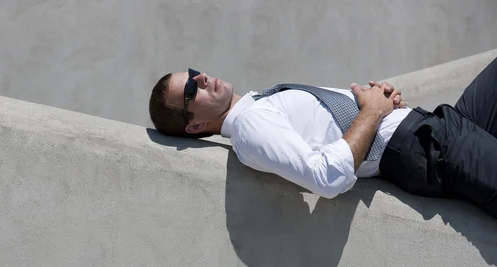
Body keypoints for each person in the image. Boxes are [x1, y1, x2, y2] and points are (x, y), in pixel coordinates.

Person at [148, 58, 497, 218]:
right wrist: (373, 112)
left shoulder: (260, 104)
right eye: (193, 88)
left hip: (438, 126)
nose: (203, 77)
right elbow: (325, 177)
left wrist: (381, 103)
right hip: (429, 149)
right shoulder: (250, 128)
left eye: (195, 73)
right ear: (193, 126)